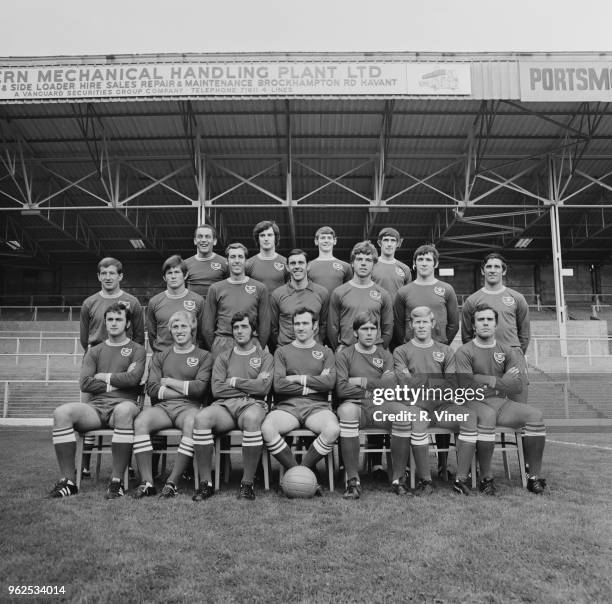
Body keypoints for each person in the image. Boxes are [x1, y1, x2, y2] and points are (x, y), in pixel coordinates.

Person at [48, 302, 145, 498]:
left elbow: (134, 380)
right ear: (105, 323)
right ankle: (68, 481)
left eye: (119, 319)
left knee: (124, 411)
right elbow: (85, 383)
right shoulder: (94, 350)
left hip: (124, 404)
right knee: (61, 413)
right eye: (110, 319)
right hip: (96, 407)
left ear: (127, 324)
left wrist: (104, 377)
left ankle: (116, 481)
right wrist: (117, 382)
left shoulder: (137, 349)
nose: (114, 323)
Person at [455, 303, 547, 495]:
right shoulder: (464, 351)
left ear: (496, 325)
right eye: (481, 320)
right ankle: (486, 478)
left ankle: (534, 478)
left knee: (535, 416)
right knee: (487, 415)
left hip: (501, 404)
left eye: (489, 320)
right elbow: (466, 387)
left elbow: (517, 385)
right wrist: (499, 381)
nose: (485, 323)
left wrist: (483, 380)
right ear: (473, 325)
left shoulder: (506, 350)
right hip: (475, 403)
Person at [393, 306, 479, 495]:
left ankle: (460, 479)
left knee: (469, 417)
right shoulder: (400, 351)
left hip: (443, 407)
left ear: (432, 324)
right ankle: (426, 481)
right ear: (411, 325)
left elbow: (451, 384)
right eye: (418, 322)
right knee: (417, 421)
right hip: (416, 406)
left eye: (425, 322)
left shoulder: (446, 351)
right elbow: (405, 384)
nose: (422, 326)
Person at [393, 243, 460, 472]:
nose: (424, 263)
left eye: (428, 260)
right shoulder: (404, 292)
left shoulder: (446, 289)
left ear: (435, 264)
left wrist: (441, 347)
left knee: (442, 402)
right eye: (420, 259)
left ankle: (442, 464)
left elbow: (454, 323)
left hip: (438, 353)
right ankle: (412, 466)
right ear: (415, 263)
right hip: (412, 354)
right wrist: (411, 346)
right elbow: (399, 323)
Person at [192, 312, 273, 501]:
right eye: (236, 327)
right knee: (201, 418)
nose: (239, 331)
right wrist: (249, 386)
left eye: (244, 327)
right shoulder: (223, 357)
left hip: (253, 405)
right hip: (225, 407)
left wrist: (233, 381)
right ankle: (206, 484)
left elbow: (263, 388)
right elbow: (217, 389)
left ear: (253, 330)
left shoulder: (265, 357)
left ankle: (247, 484)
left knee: (253, 419)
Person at [133, 311, 212, 498]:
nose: (179, 330)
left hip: (189, 408)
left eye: (183, 326)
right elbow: (152, 388)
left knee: (193, 423)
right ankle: (147, 483)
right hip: (163, 408)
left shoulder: (204, 356)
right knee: (140, 422)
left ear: (192, 328)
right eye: (175, 327)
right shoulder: (160, 356)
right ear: (170, 330)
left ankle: (173, 482)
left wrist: (169, 381)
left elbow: (200, 389)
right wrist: (184, 389)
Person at [79, 257, 144, 477]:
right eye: (103, 273)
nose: (108, 277)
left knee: (126, 414)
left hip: (124, 359)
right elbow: (84, 337)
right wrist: (95, 360)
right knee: (89, 412)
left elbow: (139, 335)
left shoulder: (132, 302)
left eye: (112, 273)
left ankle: (128, 464)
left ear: (120, 276)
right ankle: (85, 464)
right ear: (98, 276)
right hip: (97, 358)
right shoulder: (89, 302)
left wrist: (131, 363)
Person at [336, 312, 413, 498]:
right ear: (355, 332)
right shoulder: (344, 354)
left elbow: (389, 387)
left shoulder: (385, 355)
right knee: (346, 412)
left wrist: (359, 381)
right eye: (364, 329)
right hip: (355, 406)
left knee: (403, 414)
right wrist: (373, 385)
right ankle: (353, 481)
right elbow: (341, 389)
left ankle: (398, 480)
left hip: (380, 406)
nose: (369, 333)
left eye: (373, 329)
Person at [261, 308, 339, 474]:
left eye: (305, 323)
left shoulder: (326, 352)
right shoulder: (282, 351)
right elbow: (279, 385)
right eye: (297, 324)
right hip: (288, 407)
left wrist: (297, 378)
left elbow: (329, 383)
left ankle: (303, 469)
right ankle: (296, 470)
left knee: (332, 429)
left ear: (315, 326)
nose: (301, 328)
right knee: (268, 428)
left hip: (318, 407)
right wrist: (314, 384)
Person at [461, 252, 530, 404]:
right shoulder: (472, 300)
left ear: (503, 271)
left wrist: (515, 353)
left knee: (518, 401)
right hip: (483, 357)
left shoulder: (517, 298)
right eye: (489, 266)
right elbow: (466, 335)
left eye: (497, 267)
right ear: (482, 270)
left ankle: (519, 428)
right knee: (485, 402)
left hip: (512, 354)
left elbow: (524, 332)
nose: (492, 270)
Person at [203, 243, 271, 358]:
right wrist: (215, 347)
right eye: (233, 257)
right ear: (227, 261)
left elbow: (265, 326)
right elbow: (207, 327)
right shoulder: (215, 288)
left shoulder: (260, 288)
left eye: (240, 257)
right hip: (223, 343)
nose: (237, 260)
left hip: (251, 343)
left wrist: (259, 344)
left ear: (246, 261)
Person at [328, 241, 393, 351]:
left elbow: (388, 329)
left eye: (368, 260)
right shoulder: (339, 292)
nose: (363, 263)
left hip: (374, 353)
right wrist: (342, 350)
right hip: (347, 353)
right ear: (352, 263)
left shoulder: (383, 294)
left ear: (374, 265)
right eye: (359, 259)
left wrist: (378, 349)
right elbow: (332, 328)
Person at [270, 248, 329, 350]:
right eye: (293, 263)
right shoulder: (277, 294)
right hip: (286, 350)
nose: (297, 266)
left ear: (308, 265)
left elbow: (324, 324)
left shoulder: (322, 293)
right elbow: (273, 327)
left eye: (301, 262)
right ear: (287, 267)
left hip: (314, 349)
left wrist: (315, 341)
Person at [147, 255, 205, 353]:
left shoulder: (198, 300)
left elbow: (202, 334)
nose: (173, 276)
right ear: (164, 277)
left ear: (185, 275)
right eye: (169, 273)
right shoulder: (154, 302)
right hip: (162, 357)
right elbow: (152, 334)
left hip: (189, 358)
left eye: (177, 272)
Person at [184, 224, 229, 300]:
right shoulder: (185, 264)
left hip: (216, 310)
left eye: (207, 236)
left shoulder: (225, 263)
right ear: (195, 241)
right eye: (200, 236)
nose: (204, 240)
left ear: (214, 241)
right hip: (193, 310)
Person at [307, 226, 352, 295]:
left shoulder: (346, 266)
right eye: (322, 238)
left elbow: (349, 293)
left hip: (337, 305)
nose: (326, 240)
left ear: (335, 241)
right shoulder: (308, 266)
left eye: (329, 238)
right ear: (316, 241)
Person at [245, 220, 288, 293]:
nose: (266, 239)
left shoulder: (285, 262)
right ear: (257, 239)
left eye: (270, 235)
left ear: (275, 238)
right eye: (262, 235)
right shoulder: (248, 263)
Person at [371, 227, 412, 298]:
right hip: (376, 308)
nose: (389, 244)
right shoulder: (370, 265)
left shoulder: (405, 269)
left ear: (397, 244)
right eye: (386, 240)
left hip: (397, 309)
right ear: (379, 243)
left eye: (393, 240)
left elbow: (408, 296)